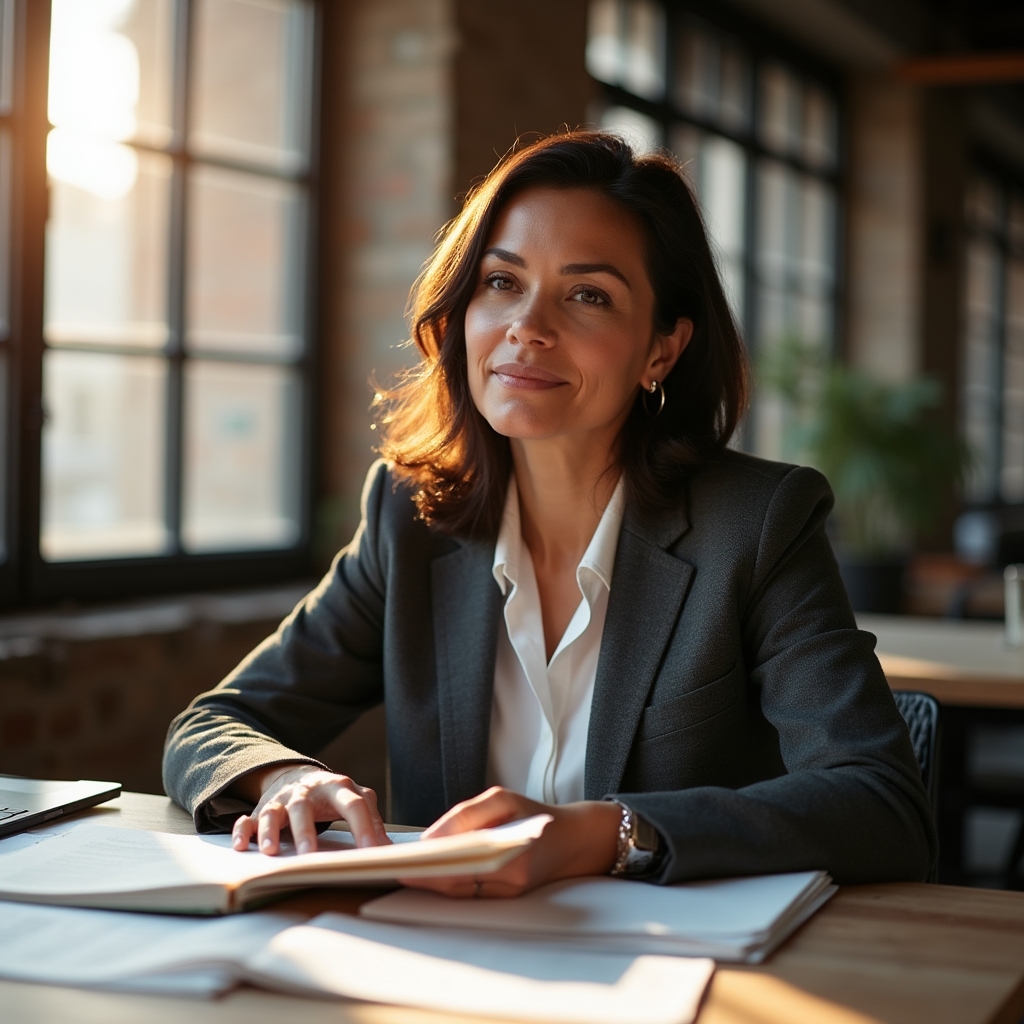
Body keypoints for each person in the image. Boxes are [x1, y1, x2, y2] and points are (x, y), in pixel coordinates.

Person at [163, 131, 936, 897]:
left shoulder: (757, 523)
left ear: (660, 351)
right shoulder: (410, 519)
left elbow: (879, 801)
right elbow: (212, 725)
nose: (526, 327)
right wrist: (283, 777)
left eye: (587, 295)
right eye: (501, 282)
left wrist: (609, 832)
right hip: (451, 956)